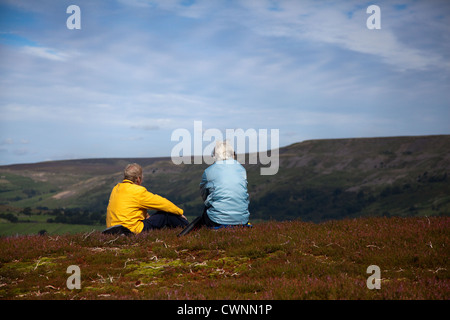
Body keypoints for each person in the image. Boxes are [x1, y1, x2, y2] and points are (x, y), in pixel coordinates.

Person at [106, 163, 188, 234]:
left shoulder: (116, 189)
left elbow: (130, 211)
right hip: (132, 231)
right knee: (166, 214)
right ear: (138, 179)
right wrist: (179, 212)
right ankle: (191, 230)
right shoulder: (137, 191)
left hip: (112, 231)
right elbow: (162, 203)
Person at [199, 140, 250, 228]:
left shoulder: (208, 171)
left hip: (216, 220)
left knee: (208, 205)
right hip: (243, 219)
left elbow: (204, 194)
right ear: (232, 154)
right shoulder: (242, 169)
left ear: (214, 155)